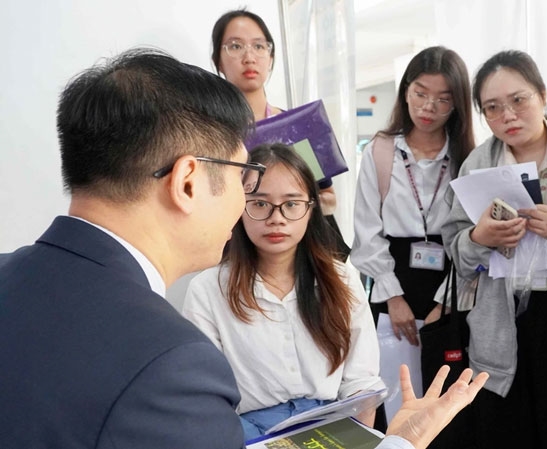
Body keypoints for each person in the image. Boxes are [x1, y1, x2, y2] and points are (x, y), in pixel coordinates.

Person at [0, 48, 489, 449]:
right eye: (243, 181)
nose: (257, 210)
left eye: (291, 203)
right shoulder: (172, 361)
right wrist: (402, 443)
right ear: (187, 182)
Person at [441, 49, 547, 448]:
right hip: (502, 324)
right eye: (492, 108)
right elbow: (456, 250)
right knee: (510, 432)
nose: (508, 115)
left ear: (542, 95)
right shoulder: (476, 165)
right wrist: (478, 239)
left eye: (519, 100)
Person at [183, 143, 383, 441]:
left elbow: (362, 384)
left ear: (310, 208)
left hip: (335, 426)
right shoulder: (208, 289)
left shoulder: (342, 278)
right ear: (238, 207)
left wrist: (357, 441)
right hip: (248, 433)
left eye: (291, 204)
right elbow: (206, 395)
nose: (276, 218)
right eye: (259, 204)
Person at [351, 45, 475, 345]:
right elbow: (367, 232)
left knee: (447, 372)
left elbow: (475, 239)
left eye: (443, 99)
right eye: (420, 93)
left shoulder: (469, 159)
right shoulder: (380, 152)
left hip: (452, 284)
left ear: (457, 104)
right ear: (406, 91)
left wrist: (447, 301)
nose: (428, 107)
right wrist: (393, 297)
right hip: (393, 282)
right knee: (395, 372)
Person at [211, 9, 345, 259]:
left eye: (259, 46)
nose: (249, 57)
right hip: (235, 258)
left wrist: (293, 206)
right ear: (218, 60)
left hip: (303, 257)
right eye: (235, 46)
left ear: (271, 57)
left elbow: (329, 200)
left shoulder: (299, 127)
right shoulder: (211, 137)